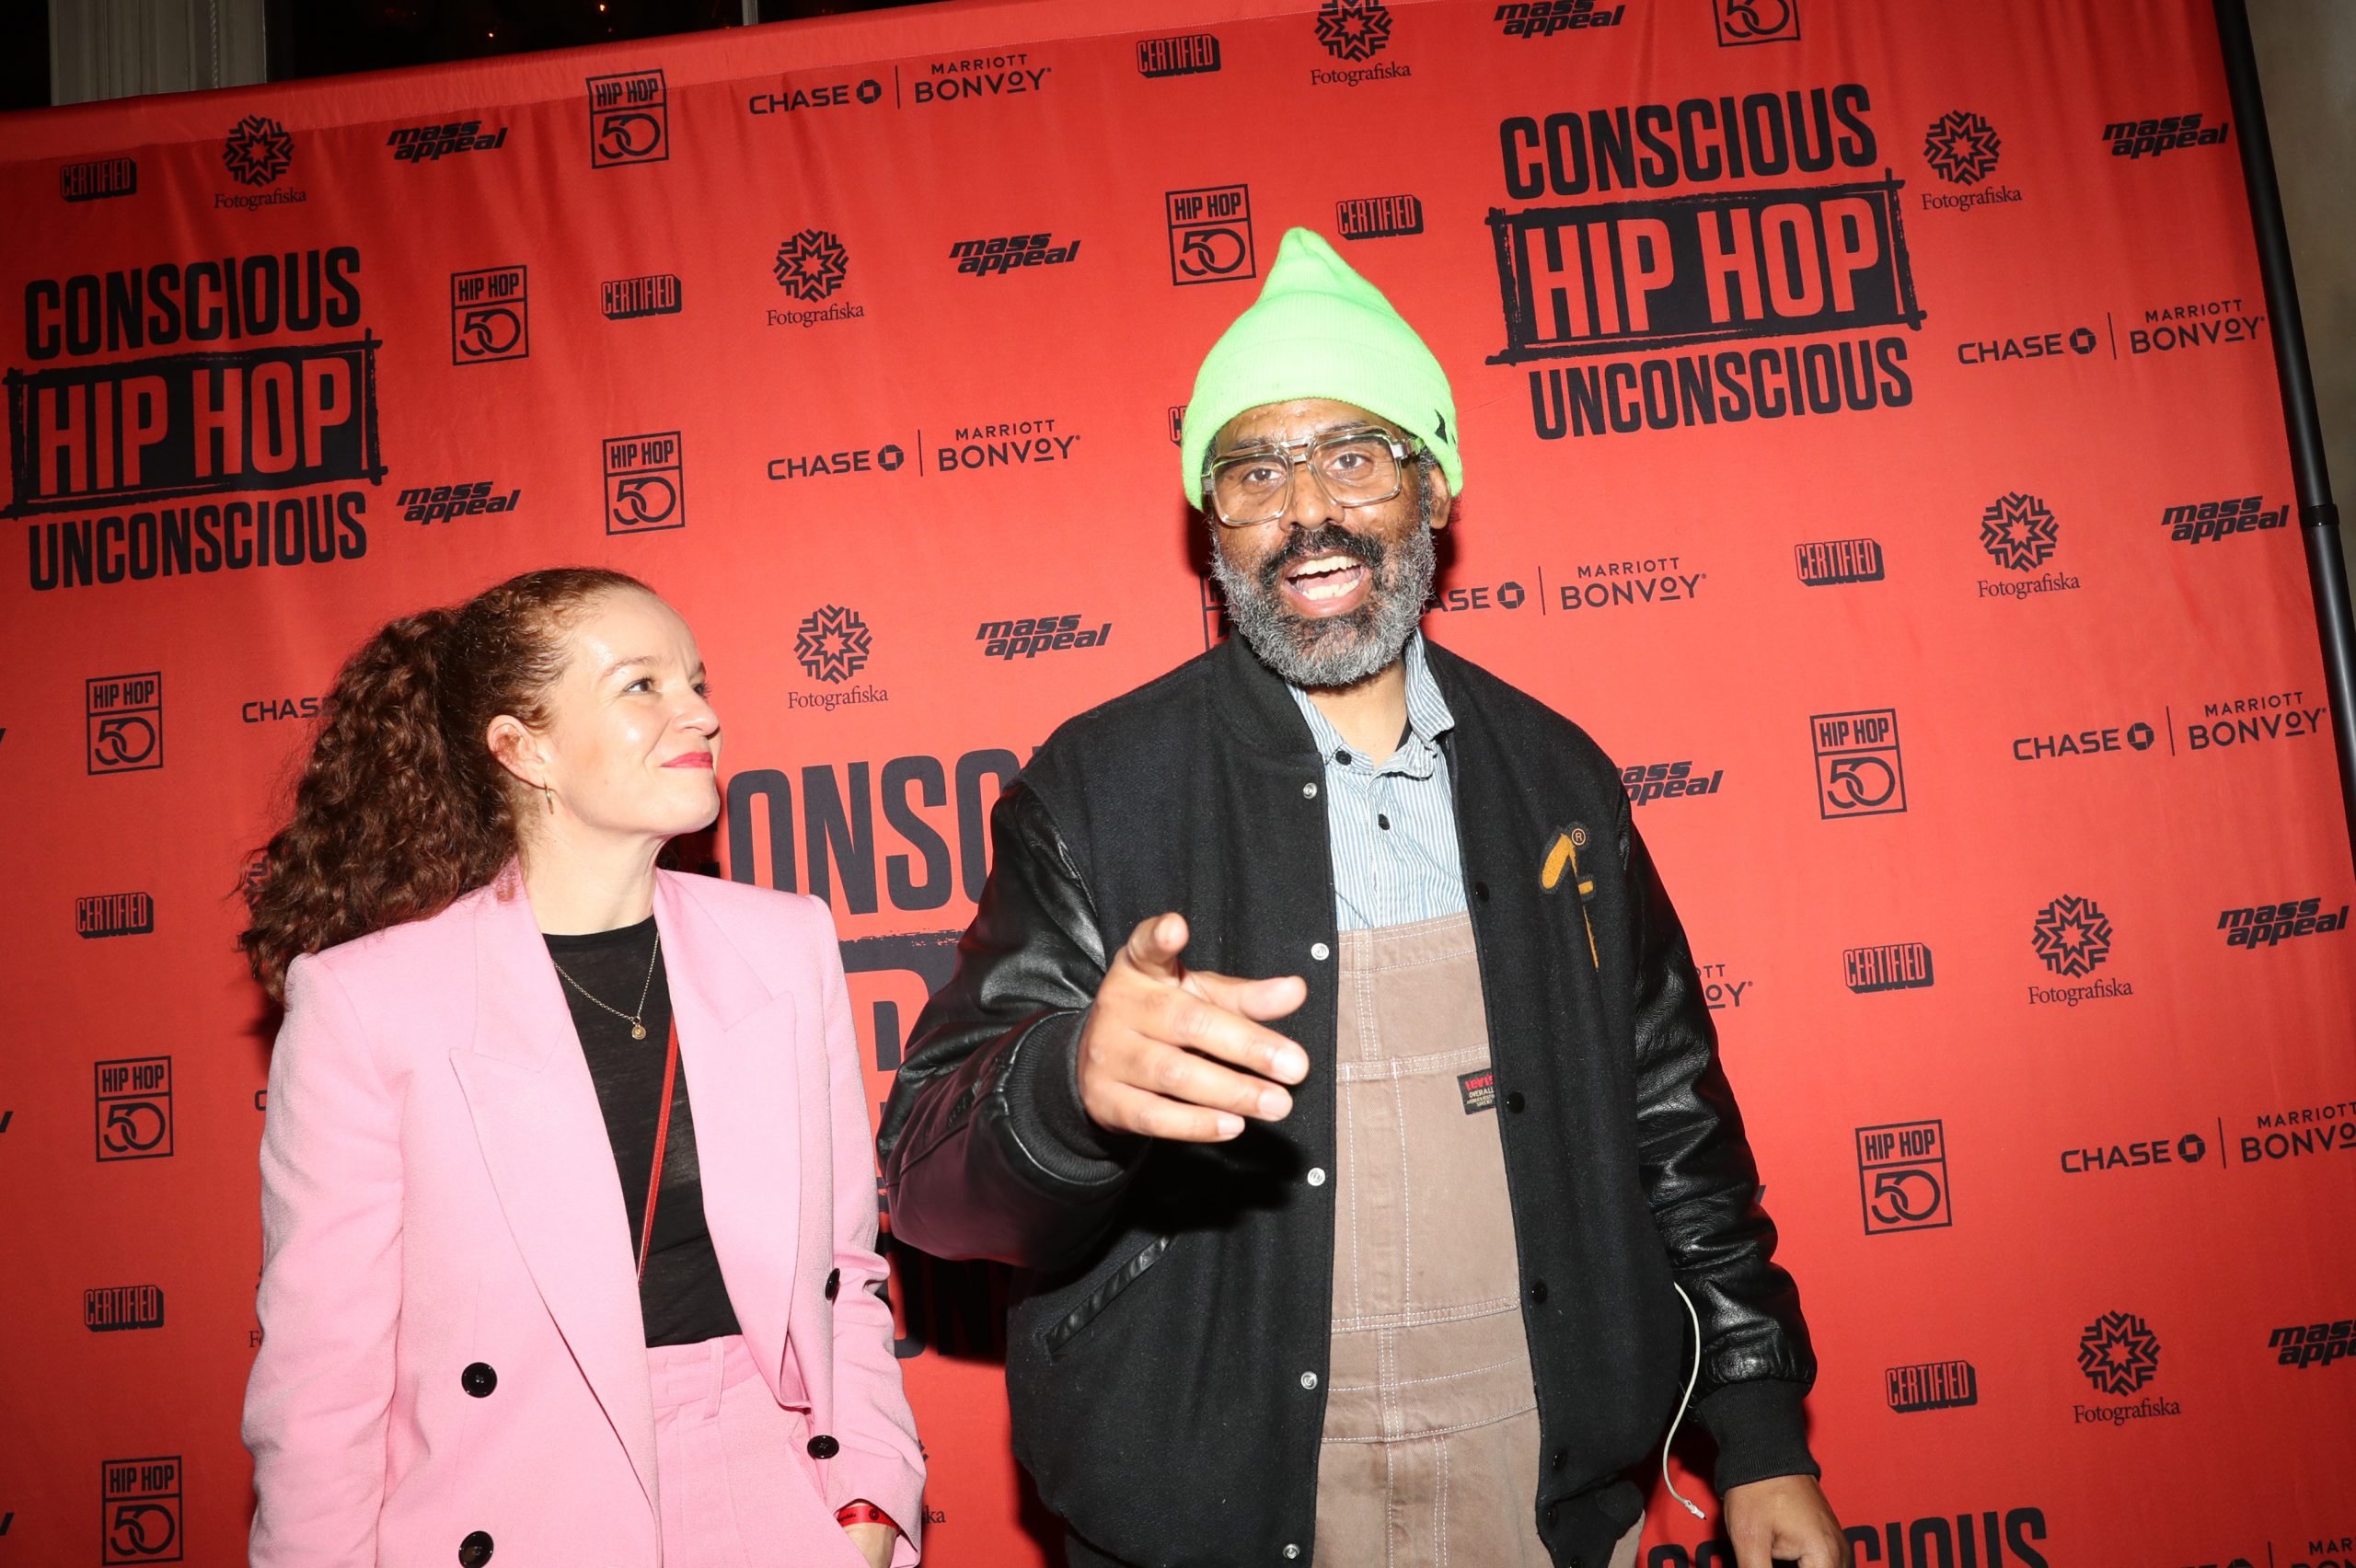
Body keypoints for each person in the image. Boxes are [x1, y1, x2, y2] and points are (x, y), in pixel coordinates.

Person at [879, 230, 1842, 1568]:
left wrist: (1758, 1423)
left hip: (1544, 1496)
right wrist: (1067, 1086)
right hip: (1211, 1508)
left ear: (1435, 487)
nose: (1305, 510)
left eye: (1356, 455)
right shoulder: (1101, 785)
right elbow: (926, 1183)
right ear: (1209, 529)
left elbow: (1672, 1118)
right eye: (1253, 471)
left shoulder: (1559, 778)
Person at [239, 567, 922, 1568]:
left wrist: (867, 1501)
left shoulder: (784, 944)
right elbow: (322, 1384)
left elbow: (843, 1273)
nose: (699, 712)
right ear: (524, 749)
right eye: (641, 686)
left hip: (778, 1496)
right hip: (522, 1507)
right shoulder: (369, 1002)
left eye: (696, 680)